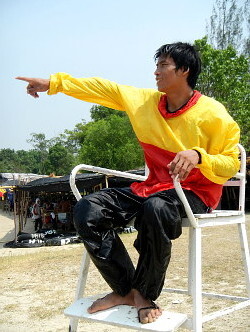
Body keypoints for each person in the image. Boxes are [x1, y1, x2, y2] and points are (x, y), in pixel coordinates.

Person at [16, 42, 240, 324]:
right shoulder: (145, 102)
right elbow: (102, 88)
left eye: (163, 65)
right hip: (152, 187)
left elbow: (232, 163)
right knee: (88, 208)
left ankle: (144, 294)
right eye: (156, 65)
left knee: (156, 209)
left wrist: (199, 155)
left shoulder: (214, 114)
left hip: (194, 192)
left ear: (184, 70)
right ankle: (124, 290)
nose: (155, 72)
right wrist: (52, 83)